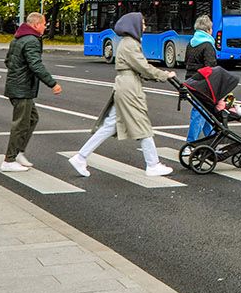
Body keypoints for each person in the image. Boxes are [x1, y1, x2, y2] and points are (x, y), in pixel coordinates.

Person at [69, 13, 177, 177]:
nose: (145, 26)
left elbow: (140, 68)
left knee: (109, 126)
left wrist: (158, 75)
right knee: (142, 125)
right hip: (129, 88)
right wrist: (164, 75)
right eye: (143, 23)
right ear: (134, 26)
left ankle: (80, 157)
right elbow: (143, 67)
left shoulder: (127, 43)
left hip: (125, 84)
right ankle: (153, 164)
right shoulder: (130, 44)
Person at [1, 12, 61, 172]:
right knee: (20, 124)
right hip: (22, 89)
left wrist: (17, 73)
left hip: (18, 86)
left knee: (32, 118)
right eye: (43, 24)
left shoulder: (18, 38)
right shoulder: (32, 40)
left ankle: (19, 152)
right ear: (35, 25)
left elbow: (8, 61)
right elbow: (36, 65)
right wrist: (52, 83)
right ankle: (9, 160)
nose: (45, 26)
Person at [184, 14, 239, 142]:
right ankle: (190, 143)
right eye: (211, 28)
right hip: (203, 86)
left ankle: (213, 141)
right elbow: (211, 68)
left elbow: (187, 61)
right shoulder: (207, 45)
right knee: (199, 114)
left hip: (191, 82)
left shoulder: (191, 43)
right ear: (208, 30)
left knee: (206, 114)